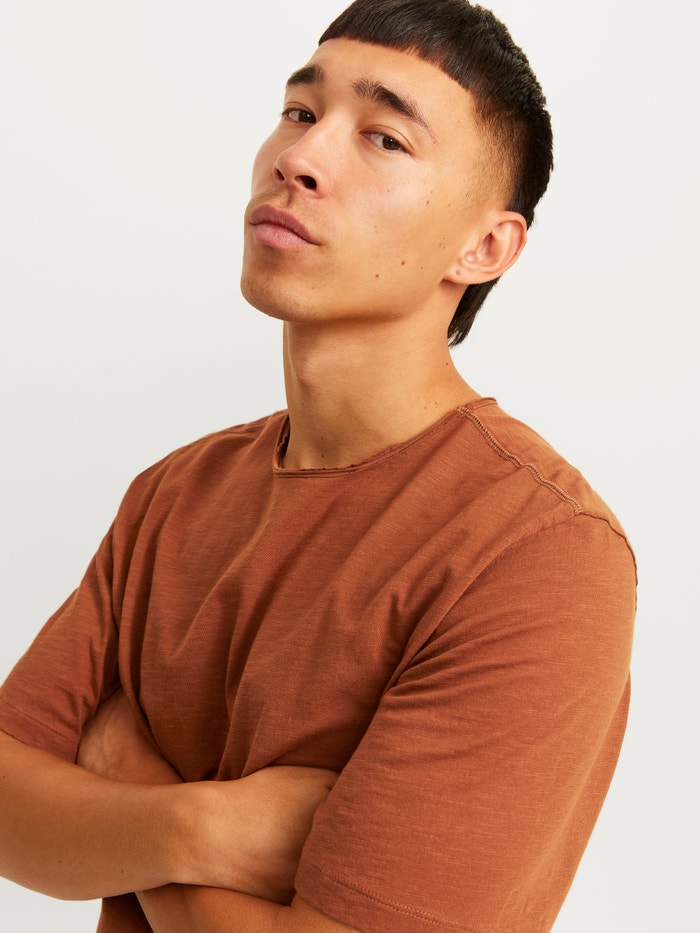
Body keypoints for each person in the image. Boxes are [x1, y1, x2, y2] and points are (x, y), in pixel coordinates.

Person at [0, 0, 636, 930]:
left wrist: (121, 775)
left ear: (485, 247)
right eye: (300, 112)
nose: (299, 157)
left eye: (385, 138)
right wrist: (198, 827)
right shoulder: (175, 492)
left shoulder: (540, 551)